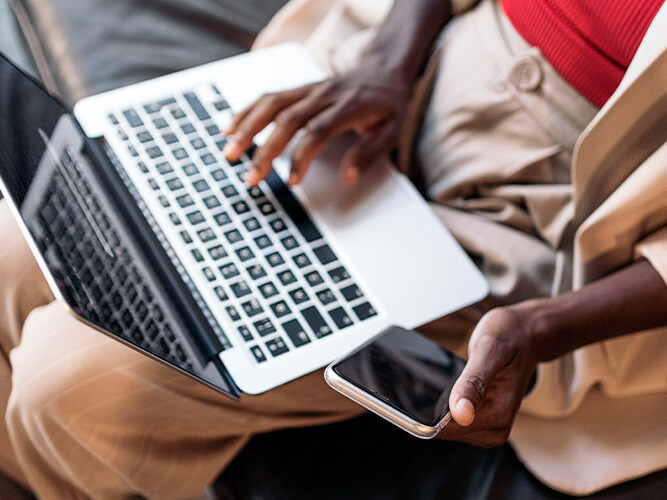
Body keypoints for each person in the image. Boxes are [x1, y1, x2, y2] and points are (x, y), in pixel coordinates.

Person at [0, 0, 665, 498]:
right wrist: (390, 60)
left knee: (77, 382)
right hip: (423, 60)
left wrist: (540, 327)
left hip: (569, 209)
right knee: (10, 253)